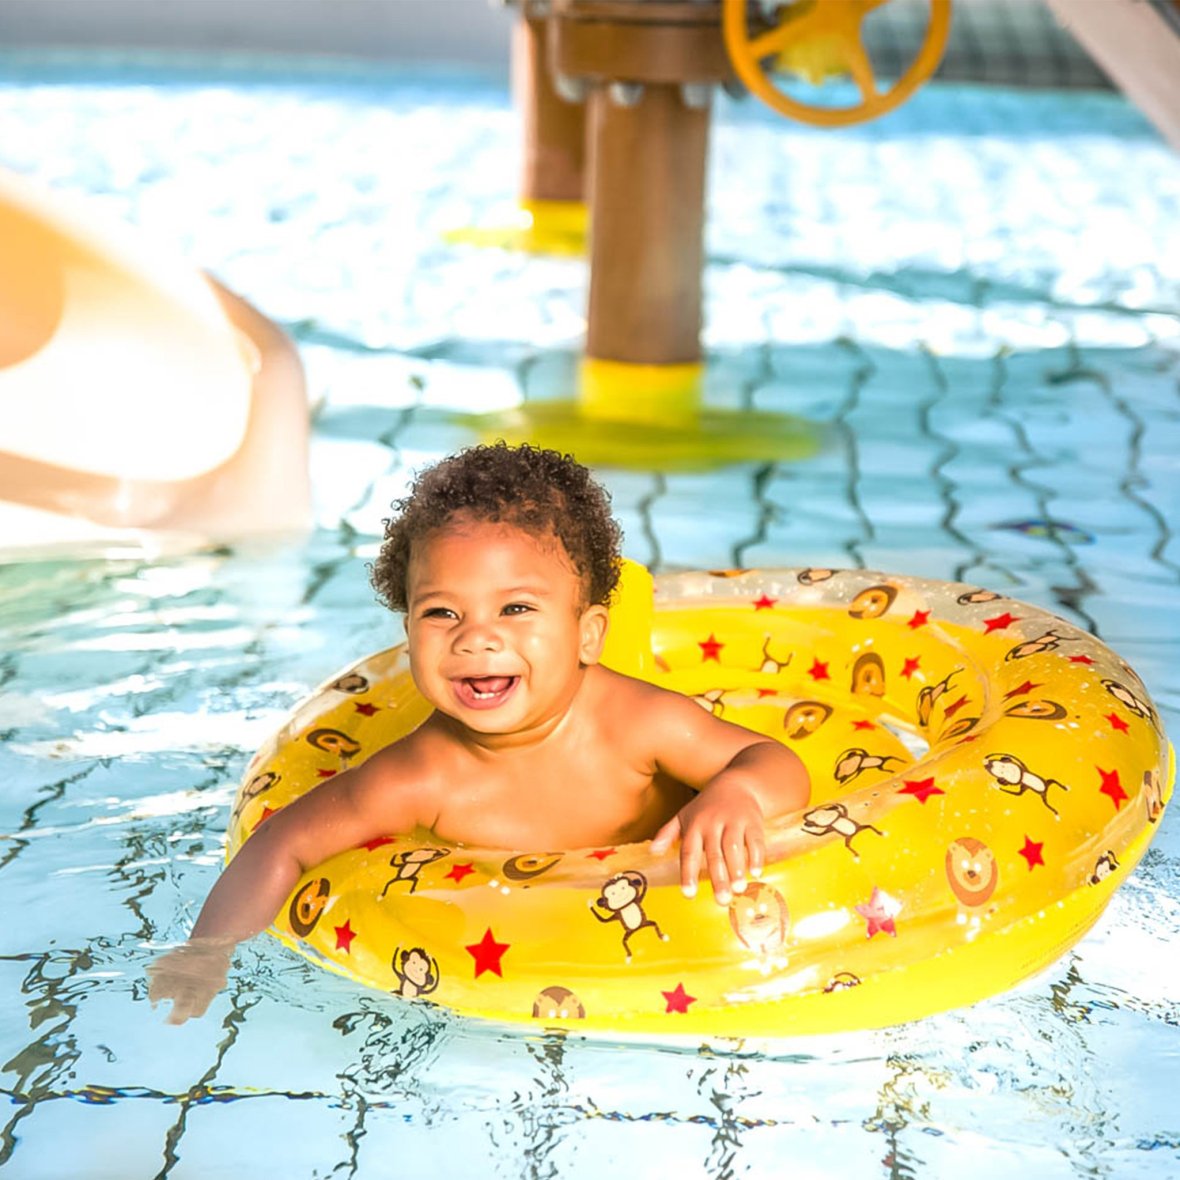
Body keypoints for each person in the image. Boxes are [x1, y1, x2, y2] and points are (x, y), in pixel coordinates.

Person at [148, 442, 810, 1023]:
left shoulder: (637, 723)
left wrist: (736, 796)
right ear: (408, 633)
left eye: (516, 607)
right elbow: (283, 843)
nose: (477, 636)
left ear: (586, 635)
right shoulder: (421, 776)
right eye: (442, 612)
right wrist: (204, 955)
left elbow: (770, 759)